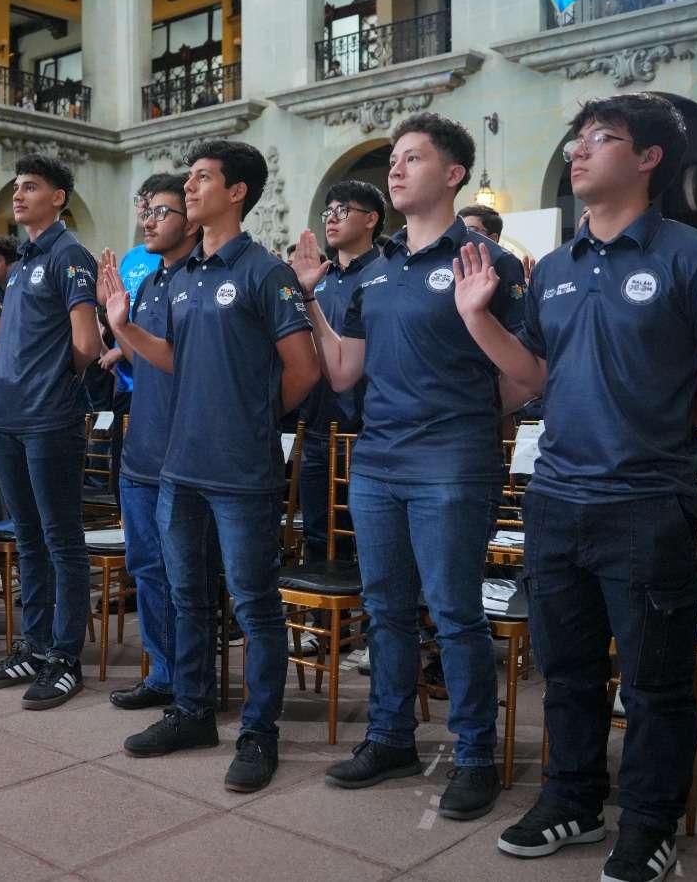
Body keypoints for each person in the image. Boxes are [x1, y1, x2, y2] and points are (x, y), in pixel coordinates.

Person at [454, 93, 697, 882]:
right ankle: (574, 800)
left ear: (649, 158)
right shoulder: (553, 267)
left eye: (602, 139)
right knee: (569, 669)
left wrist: (656, 421)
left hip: (646, 500)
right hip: (556, 497)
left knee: (654, 682)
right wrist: (477, 317)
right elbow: (531, 378)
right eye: (576, 141)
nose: (579, 153)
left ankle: (651, 822)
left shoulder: (689, 255)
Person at [292, 113, 524, 821]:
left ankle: (476, 753)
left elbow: (523, 376)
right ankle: (391, 736)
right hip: (378, 461)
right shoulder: (380, 270)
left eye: (412, 158)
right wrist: (309, 294)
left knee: (453, 614)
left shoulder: (487, 262)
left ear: (453, 174)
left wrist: (469, 423)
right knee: (386, 608)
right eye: (393, 159)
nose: (395, 170)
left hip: (453, 462)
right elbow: (340, 373)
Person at [103, 139, 320, 793]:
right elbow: (176, 359)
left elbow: (303, 371)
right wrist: (125, 329)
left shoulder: (264, 271)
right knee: (186, 597)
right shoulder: (185, 276)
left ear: (237, 193)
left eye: (202, 178)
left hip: (241, 472)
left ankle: (259, 733)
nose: (188, 188)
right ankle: (193, 712)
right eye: (189, 178)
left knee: (254, 606)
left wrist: (248, 419)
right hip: (180, 467)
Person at [0, 155, 102, 709]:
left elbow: (88, 346)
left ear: (59, 198)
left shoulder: (71, 256)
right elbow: (14, 341)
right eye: (16, 187)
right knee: (27, 540)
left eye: (31, 187)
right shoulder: (21, 261)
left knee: (61, 541)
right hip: (4, 416)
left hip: (48, 418)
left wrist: (47, 381)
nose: (18, 195)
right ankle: (35, 645)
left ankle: (65, 658)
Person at [101, 173, 197, 710]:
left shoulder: (201, 279)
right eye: (145, 211)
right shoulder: (152, 282)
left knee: (185, 575)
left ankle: (191, 680)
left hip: (185, 452)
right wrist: (118, 324)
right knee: (147, 569)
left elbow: (190, 368)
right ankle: (163, 671)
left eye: (160, 212)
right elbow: (143, 363)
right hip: (142, 446)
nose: (148, 221)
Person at [297, 182, 385, 573]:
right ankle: (323, 630)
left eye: (342, 210)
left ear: (371, 219)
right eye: (327, 211)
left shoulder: (384, 276)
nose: (331, 218)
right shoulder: (321, 277)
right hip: (316, 423)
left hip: (364, 428)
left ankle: (367, 623)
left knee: (370, 535)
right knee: (318, 531)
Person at [117, 176, 170, 294]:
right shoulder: (131, 256)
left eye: (147, 203)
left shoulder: (172, 255)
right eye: (139, 200)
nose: (141, 207)